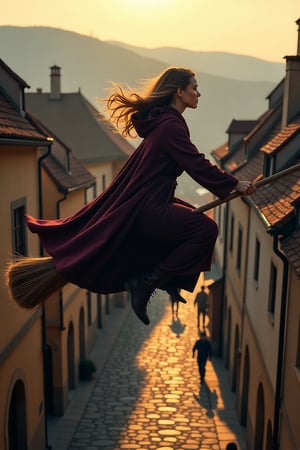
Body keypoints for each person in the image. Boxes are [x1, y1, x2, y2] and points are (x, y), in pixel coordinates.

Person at [24, 67, 256, 325]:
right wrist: (235, 184)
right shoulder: (170, 126)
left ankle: (166, 280)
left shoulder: (164, 121)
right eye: (194, 88)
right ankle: (144, 284)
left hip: (152, 203)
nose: (198, 93)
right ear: (179, 91)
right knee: (205, 229)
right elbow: (195, 163)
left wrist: (231, 184)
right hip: (151, 208)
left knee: (190, 220)